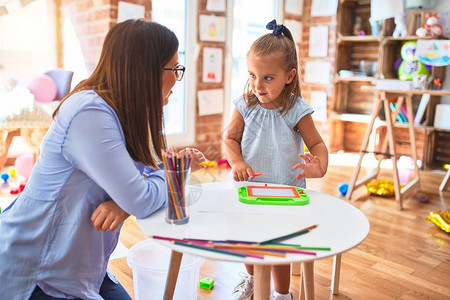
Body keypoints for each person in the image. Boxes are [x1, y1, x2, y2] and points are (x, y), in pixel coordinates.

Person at [0, 19, 185, 299]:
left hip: (86, 268)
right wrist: (150, 190)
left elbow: (147, 182)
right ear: (146, 71)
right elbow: (145, 195)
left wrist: (124, 204)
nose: (177, 78)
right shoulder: (89, 113)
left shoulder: (134, 116)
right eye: (174, 69)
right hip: (39, 271)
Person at [224, 20, 329, 300]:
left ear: (289, 76)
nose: (258, 85)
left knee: (279, 248)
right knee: (249, 243)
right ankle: (251, 280)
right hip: (250, 190)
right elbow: (230, 140)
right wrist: (237, 163)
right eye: (252, 76)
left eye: (267, 78)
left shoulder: (297, 109)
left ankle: (283, 295)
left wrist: (318, 166)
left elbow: (317, 144)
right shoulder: (244, 104)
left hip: (287, 192)